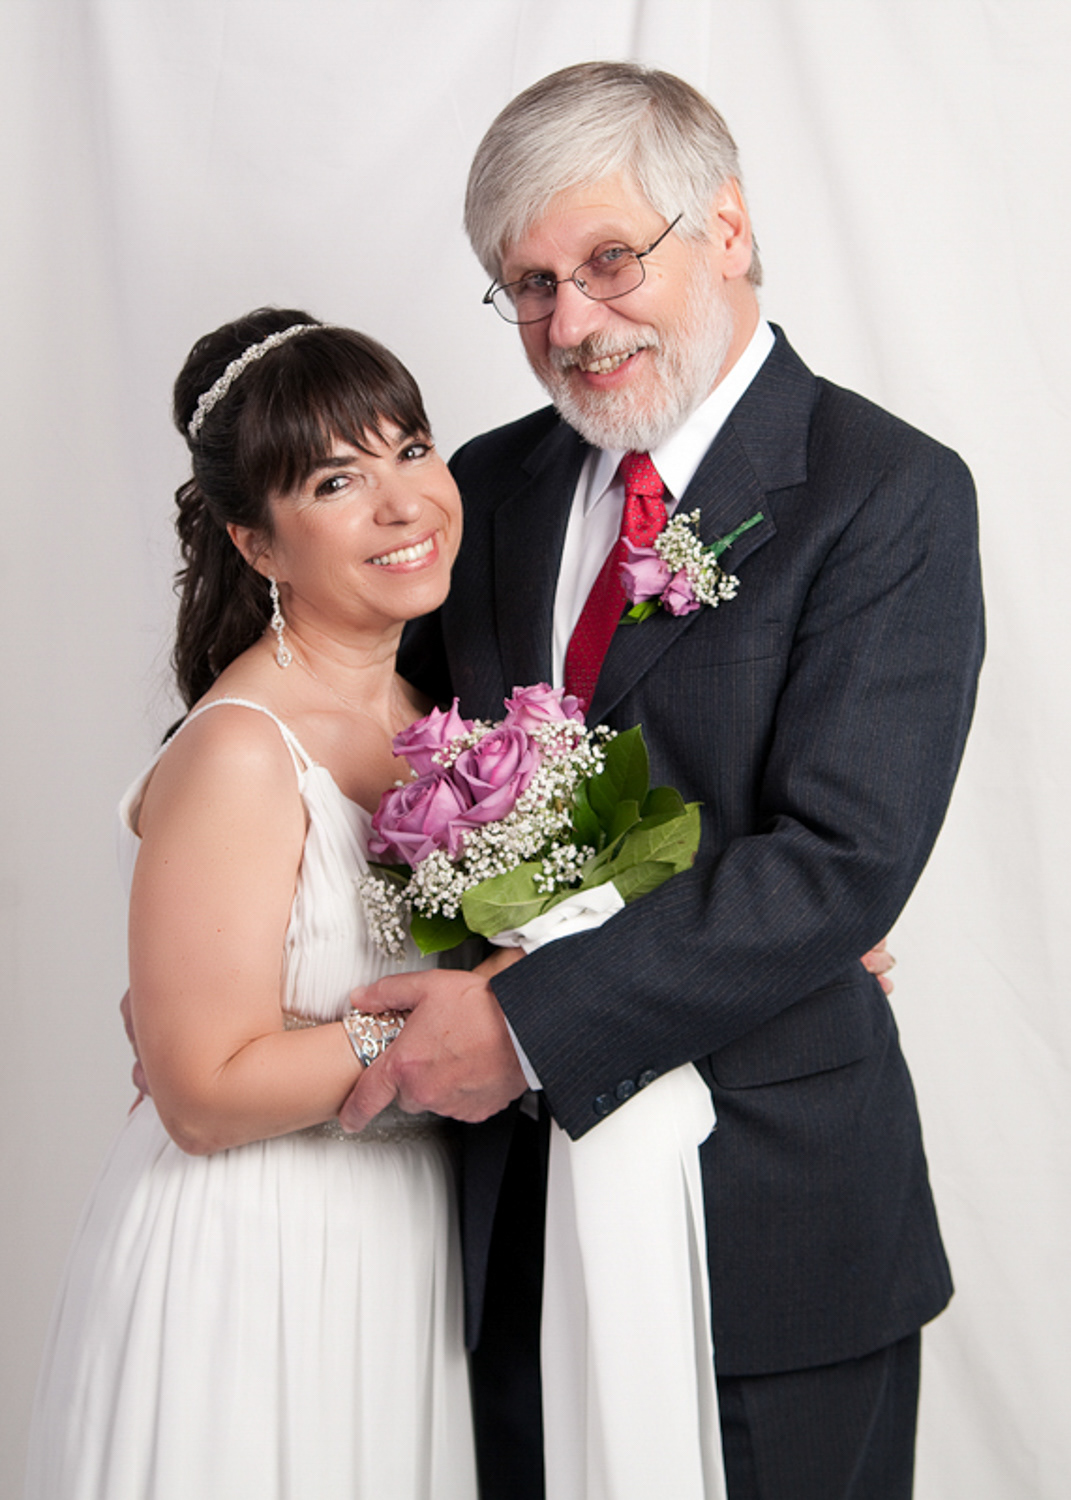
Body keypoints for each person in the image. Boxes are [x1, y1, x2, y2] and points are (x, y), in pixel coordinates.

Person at [339, 61, 986, 1500]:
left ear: (731, 230)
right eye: (527, 286)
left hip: (771, 1223)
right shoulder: (484, 488)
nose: (569, 323)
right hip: (512, 1219)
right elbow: (360, 723)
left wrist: (519, 1023)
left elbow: (834, 862)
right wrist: (212, 928)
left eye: (608, 261)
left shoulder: (887, 494)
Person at [24, 310, 485, 1500]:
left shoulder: (444, 728)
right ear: (257, 543)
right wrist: (461, 1020)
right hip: (252, 1259)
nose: (403, 502)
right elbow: (200, 1091)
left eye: (412, 448)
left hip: (405, 1252)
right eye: (338, 478)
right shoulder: (239, 751)